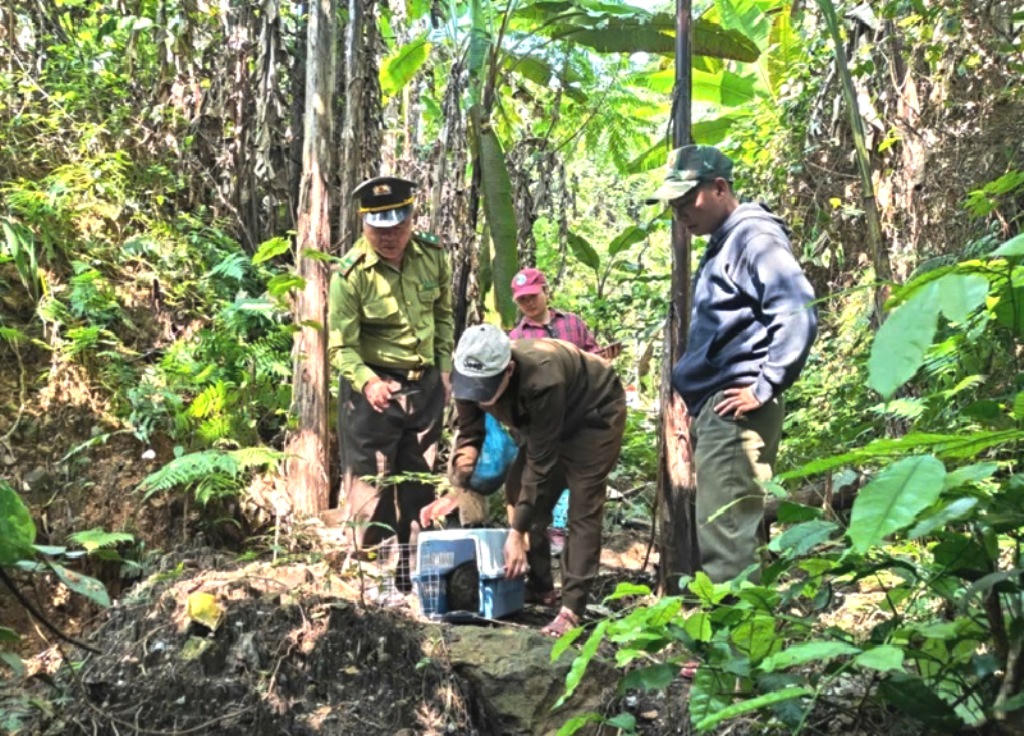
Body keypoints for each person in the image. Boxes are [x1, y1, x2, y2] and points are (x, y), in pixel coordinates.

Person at [646, 144, 818, 585]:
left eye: (688, 201)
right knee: (735, 534)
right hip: (720, 409)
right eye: (674, 206)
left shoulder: (752, 237)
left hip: (735, 411)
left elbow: (796, 310)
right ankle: (747, 626)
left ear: (720, 188)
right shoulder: (726, 241)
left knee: (725, 543)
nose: (681, 214)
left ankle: (732, 630)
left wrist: (765, 384)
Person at [447, 324, 627, 636]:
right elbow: (469, 433)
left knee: (583, 504)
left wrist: (517, 533)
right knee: (517, 491)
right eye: (472, 388)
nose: (480, 399)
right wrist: (459, 487)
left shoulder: (543, 379)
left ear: (508, 370)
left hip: (593, 414)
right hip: (544, 423)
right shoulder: (466, 373)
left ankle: (572, 608)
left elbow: (541, 464)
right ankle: (540, 585)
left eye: (484, 388)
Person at [327, 175, 454, 589]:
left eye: (397, 227)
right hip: (374, 394)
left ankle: (412, 577)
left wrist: (445, 367)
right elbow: (340, 346)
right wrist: (367, 383)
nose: (389, 237)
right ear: (364, 224)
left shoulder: (432, 255)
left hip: (425, 388)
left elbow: (443, 315)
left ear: (411, 219)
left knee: (419, 482)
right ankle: (374, 581)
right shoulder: (351, 274)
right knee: (372, 488)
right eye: (378, 228)